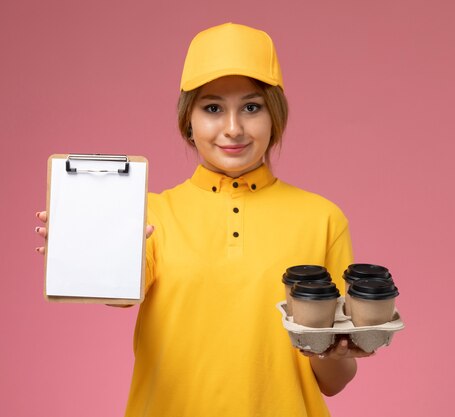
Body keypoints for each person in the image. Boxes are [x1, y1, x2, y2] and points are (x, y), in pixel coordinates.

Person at [36, 22, 371, 416]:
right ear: (188, 121)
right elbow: (117, 291)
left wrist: (335, 349)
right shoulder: (151, 215)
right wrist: (84, 254)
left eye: (251, 107)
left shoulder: (322, 218)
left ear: (273, 116)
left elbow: (333, 381)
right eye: (212, 108)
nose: (233, 128)